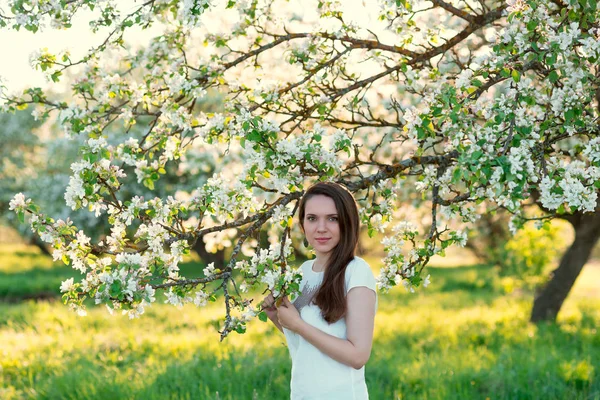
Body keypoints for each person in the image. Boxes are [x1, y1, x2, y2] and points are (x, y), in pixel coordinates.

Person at [262, 182, 378, 400]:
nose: (321, 228)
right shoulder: (304, 272)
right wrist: (278, 319)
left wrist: (298, 324)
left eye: (332, 218)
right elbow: (307, 341)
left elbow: (358, 355)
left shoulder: (357, 272)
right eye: (312, 218)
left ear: (347, 223)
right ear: (303, 224)